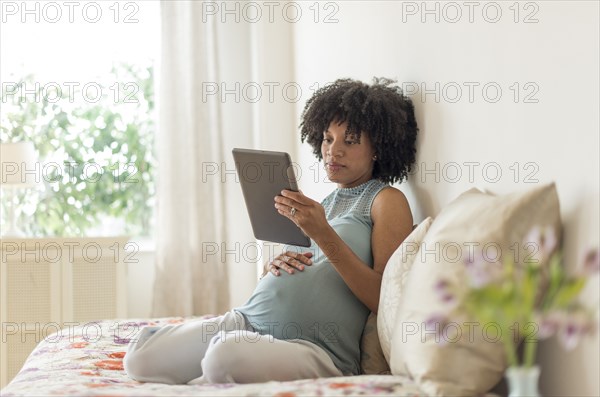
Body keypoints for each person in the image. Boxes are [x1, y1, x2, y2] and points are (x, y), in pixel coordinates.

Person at [124, 77, 418, 384]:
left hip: (315, 348)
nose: (334, 151)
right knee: (140, 359)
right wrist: (272, 266)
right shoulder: (322, 204)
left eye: (350, 140)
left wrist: (322, 234)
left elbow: (384, 298)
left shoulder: (386, 201)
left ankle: (219, 359)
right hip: (246, 320)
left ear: (378, 149)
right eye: (328, 139)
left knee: (223, 358)